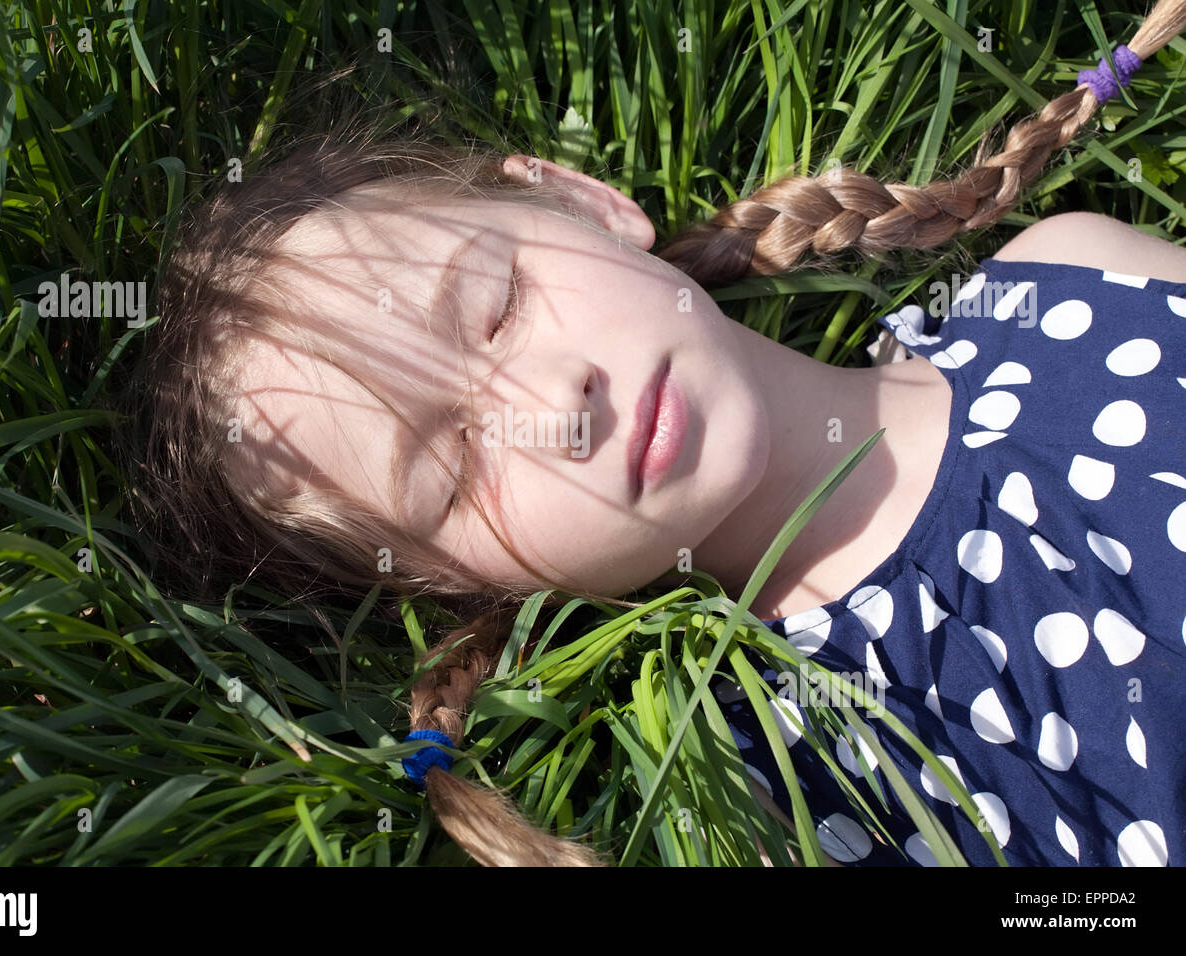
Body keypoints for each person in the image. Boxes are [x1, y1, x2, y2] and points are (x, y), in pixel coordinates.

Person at [122, 1, 1186, 866]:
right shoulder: (785, 784)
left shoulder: (1072, 277)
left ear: (576, 202)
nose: (553, 401)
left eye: (494, 304)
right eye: (450, 470)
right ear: (453, 584)